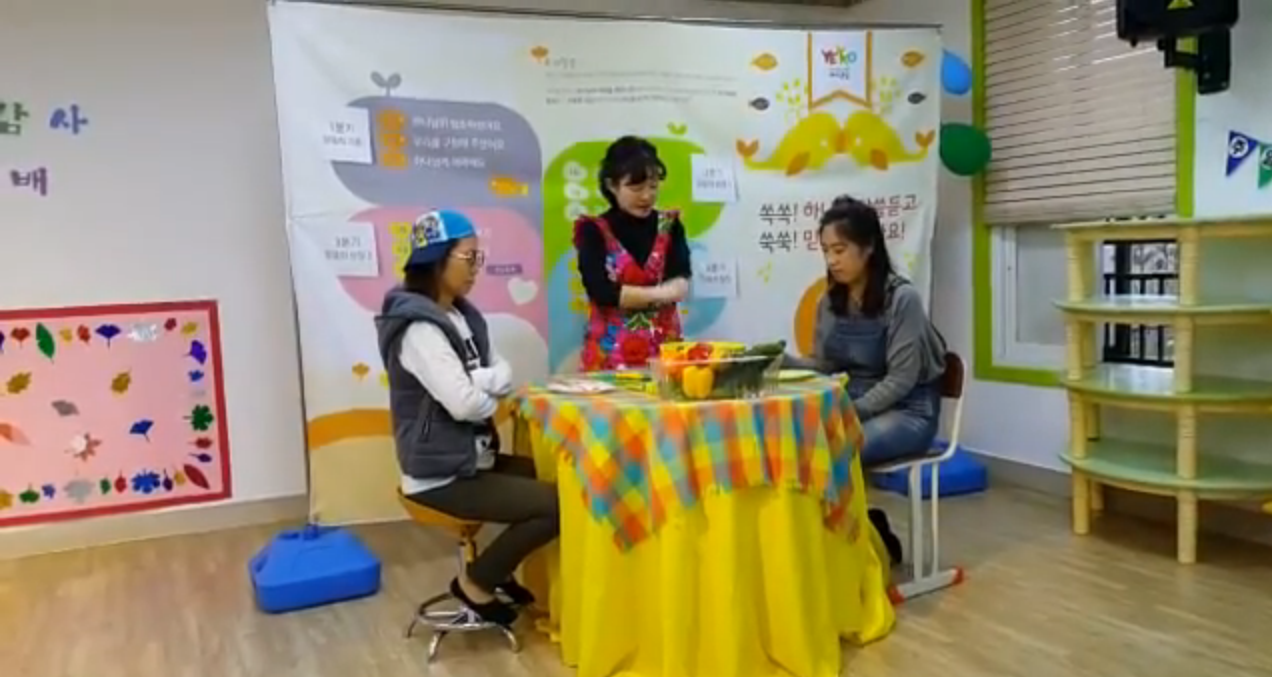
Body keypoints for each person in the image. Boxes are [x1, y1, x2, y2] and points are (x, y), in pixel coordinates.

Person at [376, 209, 559, 628]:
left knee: (552, 475)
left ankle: (499, 569)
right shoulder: (419, 330)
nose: (477, 268)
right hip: (440, 475)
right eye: (469, 257)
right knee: (554, 506)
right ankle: (477, 582)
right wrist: (483, 391)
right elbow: (466, 405)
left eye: (479, 257)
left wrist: (476, 381)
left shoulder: (461, 316)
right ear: (436, 260)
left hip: (471, 458)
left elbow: (503, 374)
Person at [791, 195, 948, 564]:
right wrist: (781, 362)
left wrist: (848, 412)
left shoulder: (902, 299)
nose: (832, 260)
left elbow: (901, 380)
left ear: (868, 247)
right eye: (826, 251)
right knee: (795, 445)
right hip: (859, 404)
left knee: (832, 449)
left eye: (840, 250)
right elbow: (825, 364)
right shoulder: (830, 301)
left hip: (909, 411)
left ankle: (859, 543)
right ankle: (849, 539)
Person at [574, 136, 693, 371]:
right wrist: (662, 293)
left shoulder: (670, 226)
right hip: (609, 358)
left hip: (664, 354)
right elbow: (602, 292)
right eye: (636, 188)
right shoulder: (593, 230)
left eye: (653, 186)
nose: (647, 196)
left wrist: (629, 294)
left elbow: (680, 283)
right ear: (611, 185)